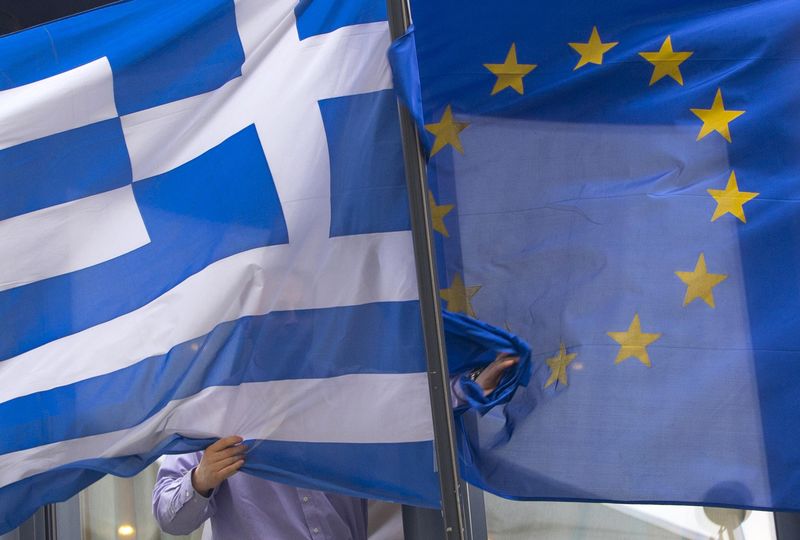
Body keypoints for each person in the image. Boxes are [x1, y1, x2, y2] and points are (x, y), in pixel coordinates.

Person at [152, 353, 518, 539]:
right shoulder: (206, 408)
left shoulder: (337, 392)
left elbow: (407, 415)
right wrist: (202, 478)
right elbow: (170, 518)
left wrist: (468, 389)